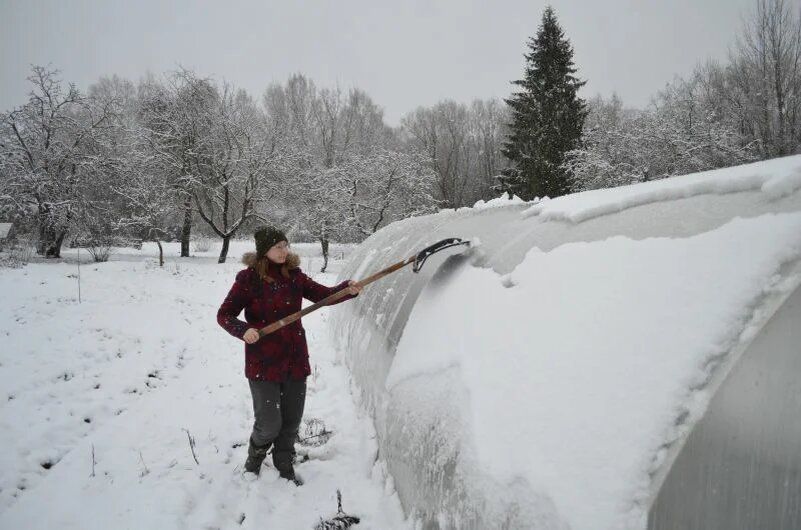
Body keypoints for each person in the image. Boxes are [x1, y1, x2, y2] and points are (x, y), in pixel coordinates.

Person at [216, 226, 361, 484]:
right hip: (263, 361)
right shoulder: (247, 280)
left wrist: (346, 288)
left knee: (292, 420)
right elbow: (224, 314)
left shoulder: (294, 276)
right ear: (265, 251)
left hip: (294, 358)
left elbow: (324, 296)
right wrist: (244, 330)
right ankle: (255, 457)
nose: (284, 251)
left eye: (285, 245)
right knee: (269, 423)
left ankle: (284, 460)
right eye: (278, 247)